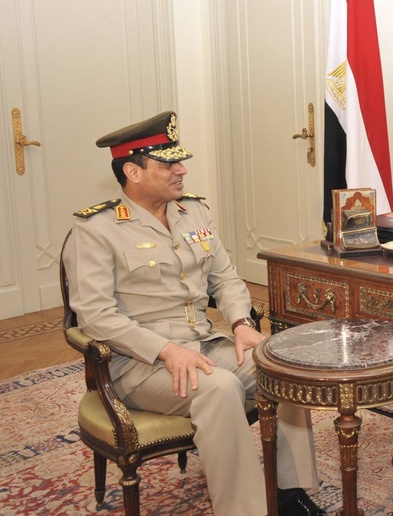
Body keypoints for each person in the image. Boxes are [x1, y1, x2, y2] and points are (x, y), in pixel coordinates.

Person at [62, 111, 324, 515]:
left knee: (283, 364)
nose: (181, 170)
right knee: (219, 388)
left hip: (203, 342)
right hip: (138, 363)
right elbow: (95, 316)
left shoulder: (194, 213)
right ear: (132, 170)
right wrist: (166, 349)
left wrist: (240, 323)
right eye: (168, 163)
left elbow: (227, 278)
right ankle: (244, 509)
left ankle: (289, 492)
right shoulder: (96, 229)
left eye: (179, 161)